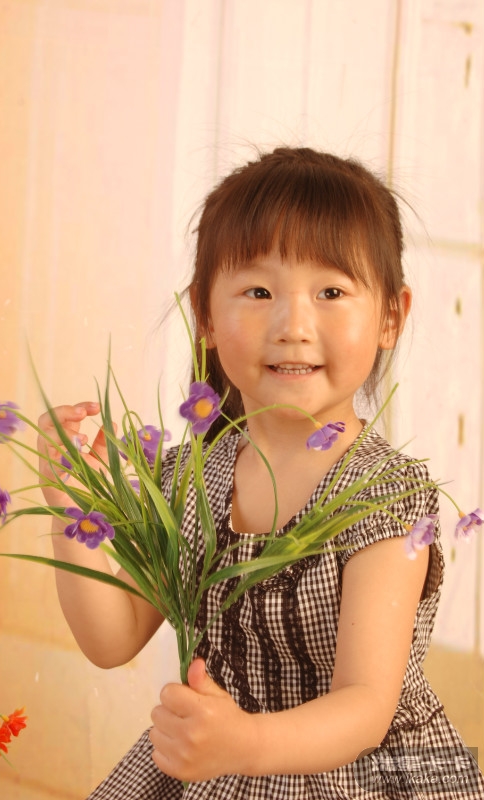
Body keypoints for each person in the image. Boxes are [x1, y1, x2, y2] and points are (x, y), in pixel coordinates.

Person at [38, 147, 484, 798]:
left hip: (359, 773)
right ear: (206, 315)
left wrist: (245, 743)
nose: (293, 325)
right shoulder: (190, 481)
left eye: (331, 292)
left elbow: (366, 704)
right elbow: (113, 638)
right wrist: (72, 503)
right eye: (258, 291)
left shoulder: (384, 498)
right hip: (219, 759)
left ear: (390, 316)